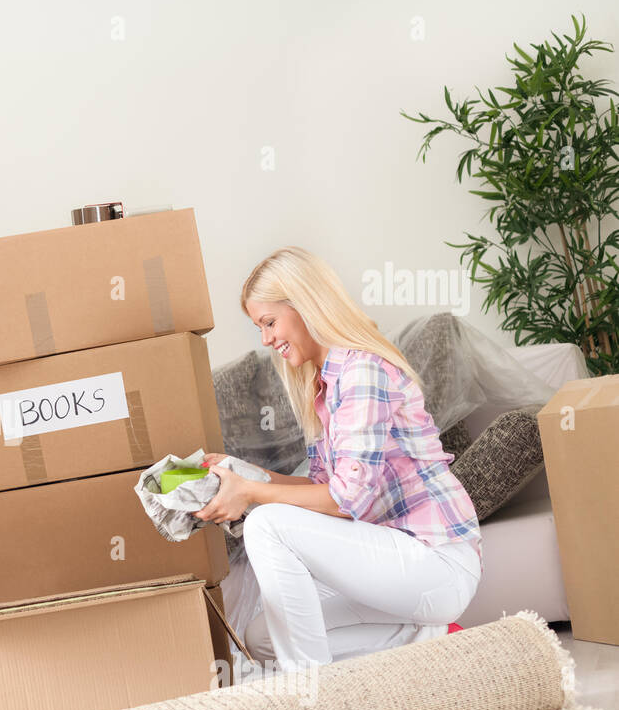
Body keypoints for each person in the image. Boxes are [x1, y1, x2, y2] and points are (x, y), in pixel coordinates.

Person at [194, 247, 483, 672]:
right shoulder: (324, 387)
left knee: (266, 523)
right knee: (262, 639)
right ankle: (429, 641)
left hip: (436, 561)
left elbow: (346, 502)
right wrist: (244, 474)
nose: (266, 340)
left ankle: (312, 693)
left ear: (304, 304)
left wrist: (252, 496)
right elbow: (320, 489)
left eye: (269, 322)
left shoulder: (362, 371)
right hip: (399, 569)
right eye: (260, 327)